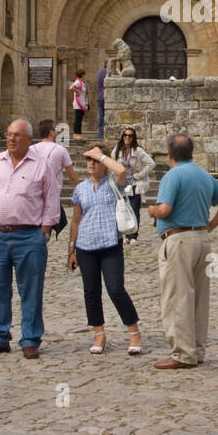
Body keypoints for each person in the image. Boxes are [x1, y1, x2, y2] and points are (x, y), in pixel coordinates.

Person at [0, 119, 61, 359]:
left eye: (17, 135)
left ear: (29, 140)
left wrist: (42, 234)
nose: (11, 139)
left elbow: (52, 204)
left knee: (31, 289)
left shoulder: (42, 166)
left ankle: (30, 338)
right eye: (9, 134)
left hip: (29, 236)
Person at [148, 132, 218, 369]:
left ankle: (182, 353)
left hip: (178, 239)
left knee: (178, 296)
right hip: (201, 239)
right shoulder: (204, 175)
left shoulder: (172, 175)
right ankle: (196, 349)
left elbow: (165, 209)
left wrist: (152, 210)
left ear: (169, 154)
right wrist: (210, 226)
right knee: (199, 297)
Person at [69, 145, 142, 355]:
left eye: (95, 160)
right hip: (85, 246)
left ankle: (134, 331)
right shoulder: (80, 188)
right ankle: (99, 333)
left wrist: (100, 154)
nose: (91, 163)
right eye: (88, 160)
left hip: (110, 244)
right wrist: (71, 249)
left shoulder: (113, 183)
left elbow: (121, 171)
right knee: (91, 292)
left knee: (116, 289)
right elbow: (76, 220)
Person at [31, 119, 76, 239]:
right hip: (51, 196)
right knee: (45, 233)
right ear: (51, 132)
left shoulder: (32, 149)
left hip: (33, 194)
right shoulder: (60, 150)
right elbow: (71, 174)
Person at [111, 126, 155, 245]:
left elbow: (151, 164)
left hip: (135, 183)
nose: (127, 137)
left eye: (130, 135)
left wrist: (139, 175)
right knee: (122, 209)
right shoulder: (117, 150)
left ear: (133, 137)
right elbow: (111, 163)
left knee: (134, 209)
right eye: (125, 135)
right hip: (121, 183)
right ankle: (124, 234)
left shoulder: (138, 151)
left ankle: (133, 235)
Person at [71, 69, 89, 136]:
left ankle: (79, 133)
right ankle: (76, 133)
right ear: (82, 75)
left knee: (80, 119)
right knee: (78, 119)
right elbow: (71, 88)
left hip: (82, 103)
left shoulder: (81, 82)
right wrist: (77, 91)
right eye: (84, 74)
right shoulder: (78, 82)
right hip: (78, 104)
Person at [96, 62, 108, 139]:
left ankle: (100, 134)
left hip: (100, 97)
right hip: (106, 97)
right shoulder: (107, 73)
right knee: (106, 117)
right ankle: (104, 134)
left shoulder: (99, 72)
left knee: (101, 116)